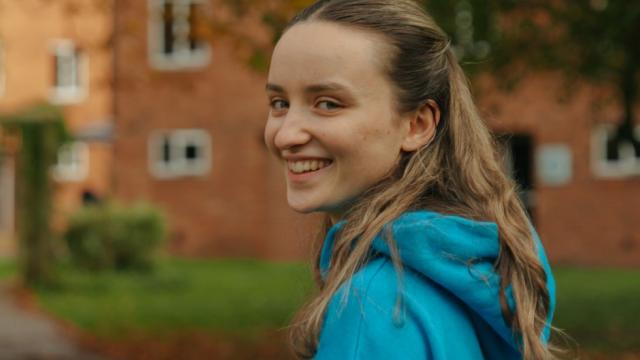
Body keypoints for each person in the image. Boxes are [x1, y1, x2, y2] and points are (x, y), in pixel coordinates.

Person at [263, 0, 558, 359]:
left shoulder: (374, 306)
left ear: (417, 124)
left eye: (328, 104)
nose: (285, 135)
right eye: (279, 103)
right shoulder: (482, 272)